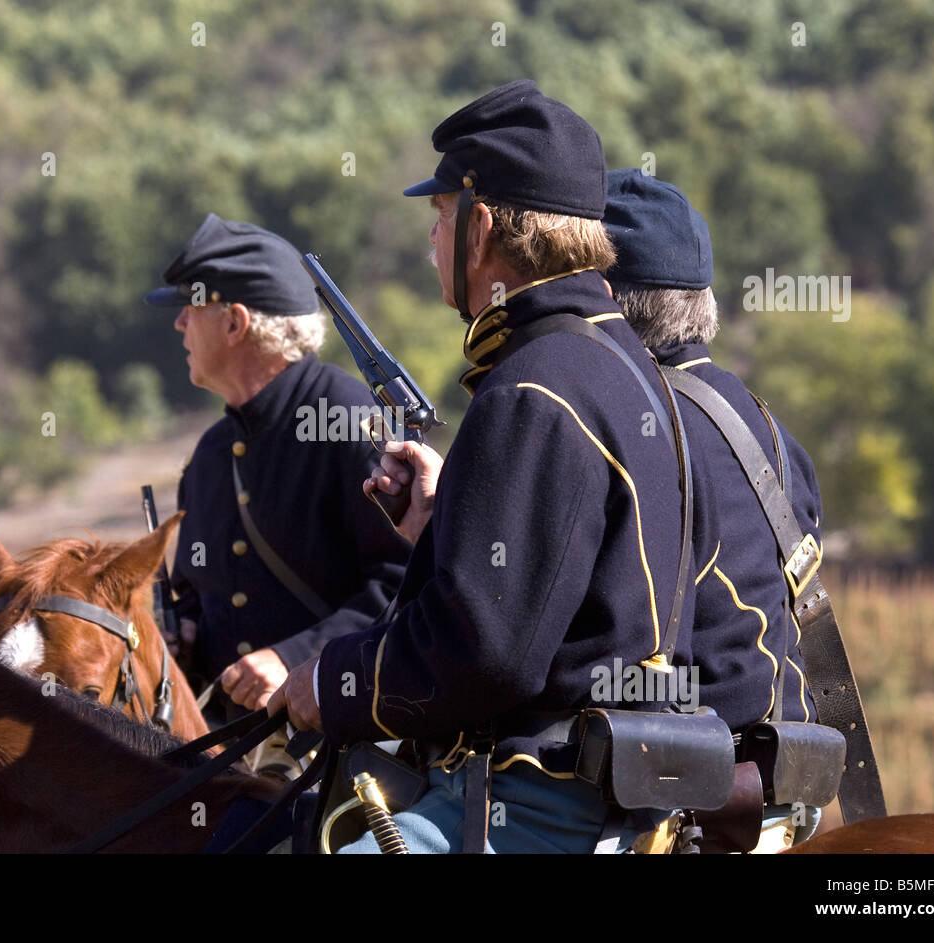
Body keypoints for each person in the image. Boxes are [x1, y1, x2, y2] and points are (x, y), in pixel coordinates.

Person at [270, 80, 715, 853]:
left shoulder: (535, 384)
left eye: (438, 218)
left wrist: (331, 678)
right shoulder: (619, 362)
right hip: (614, 795)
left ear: (480, 229)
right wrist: (448, 526)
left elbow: (484, 653)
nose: (430, 243)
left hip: (528, 803)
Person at [602, 169, 827, 846]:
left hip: (693, 808)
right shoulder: (766, 424)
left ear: (605, 296)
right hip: (787, 792)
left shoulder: (633, 429)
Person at [145, 213, 412, 717]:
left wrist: (294, 657)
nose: (179, 323)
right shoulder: (209, 456)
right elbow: (198, 596)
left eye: (190, 308)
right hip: (230, 749)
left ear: (234, 322)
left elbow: (408, 585)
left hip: (341, 746)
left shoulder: (346, 417)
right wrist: (182, 631)